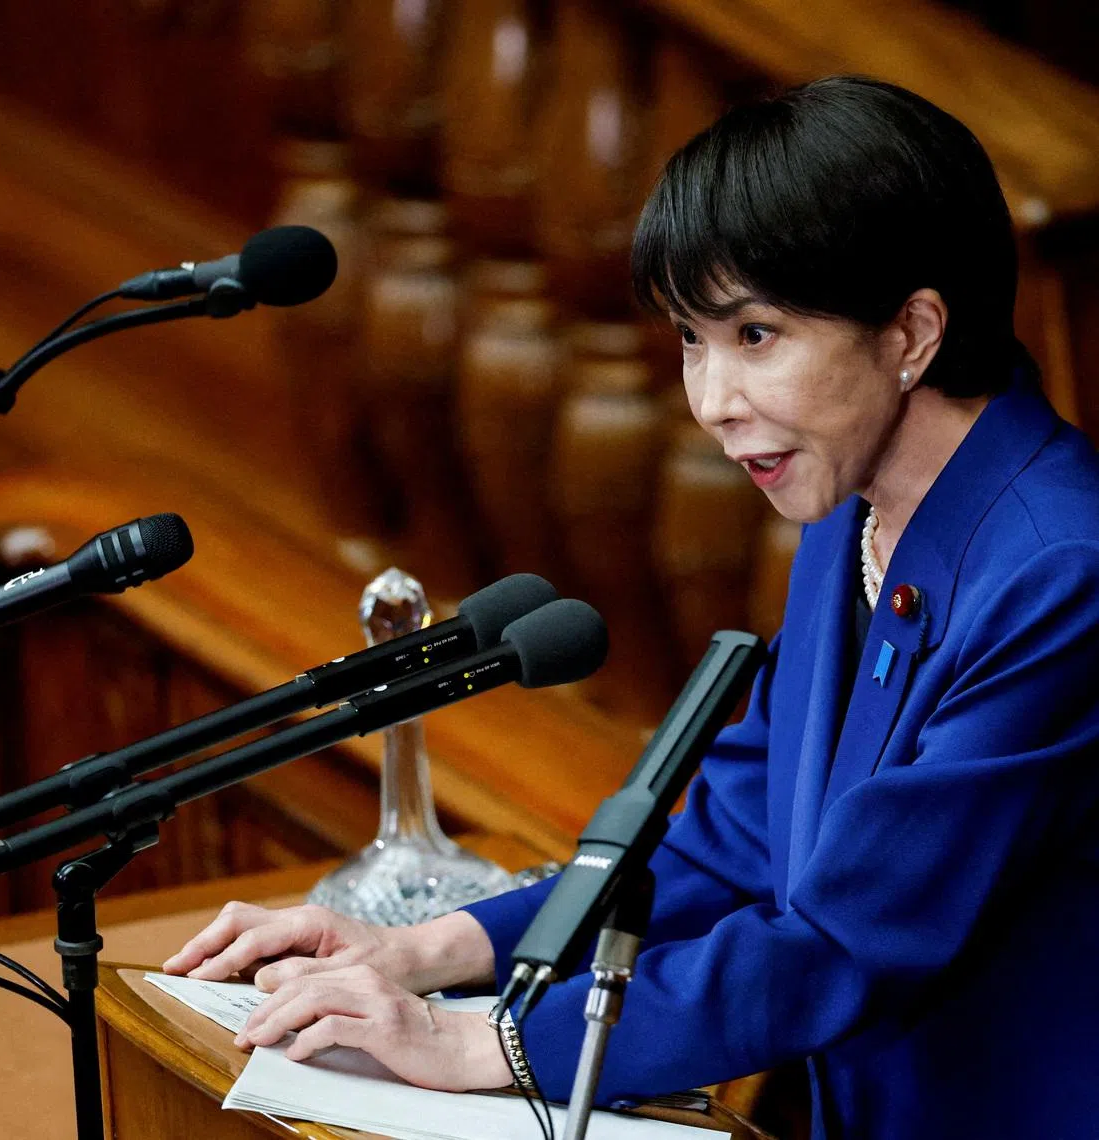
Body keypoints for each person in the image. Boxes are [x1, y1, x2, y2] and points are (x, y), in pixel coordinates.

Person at [164, 76, 1099, 1138]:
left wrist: (485, 1046)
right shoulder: (851, 510)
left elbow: (853, 941)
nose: (711, 403)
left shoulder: (1063, 570)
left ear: (912, 333)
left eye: (756, 335)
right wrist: (422, 951)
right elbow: (731, 845)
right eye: (693, 339)